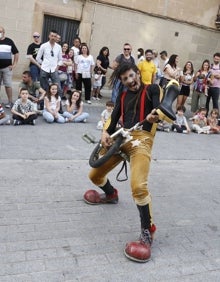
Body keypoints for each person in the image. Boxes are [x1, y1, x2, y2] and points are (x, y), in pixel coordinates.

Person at [83, 63, 178, 263]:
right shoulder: (123, 97)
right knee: (94, 175)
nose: (129, 80)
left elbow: (164, 109)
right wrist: (104, 133)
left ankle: (147, 232)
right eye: (125, 79)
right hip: (122, 137)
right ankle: (110, 194)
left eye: (131, 76)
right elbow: (113, 118)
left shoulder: (152, 89)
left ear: (137, 73)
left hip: (142, 139)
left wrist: (155, 116)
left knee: (138, 187)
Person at [36, 30, 63, 95]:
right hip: (44, 69)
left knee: (58, 87)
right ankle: (43, 104)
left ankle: (58, 103)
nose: (53, 37)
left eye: (55, 36)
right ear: (49, 36)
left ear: (56, 37)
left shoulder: (58, 47)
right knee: (43, 88)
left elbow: (60, 59)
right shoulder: (44, 45)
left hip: (54, 69)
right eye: (52, 36)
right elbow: (38, 58)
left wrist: (57, 67)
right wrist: (43, 64)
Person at [0, 26, 19, 108]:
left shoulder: (9, 41)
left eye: (1, 31)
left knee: (8, 85)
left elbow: (16, 53)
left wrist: (14, 64)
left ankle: (10, 102)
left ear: (4, 32)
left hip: (7, 68)